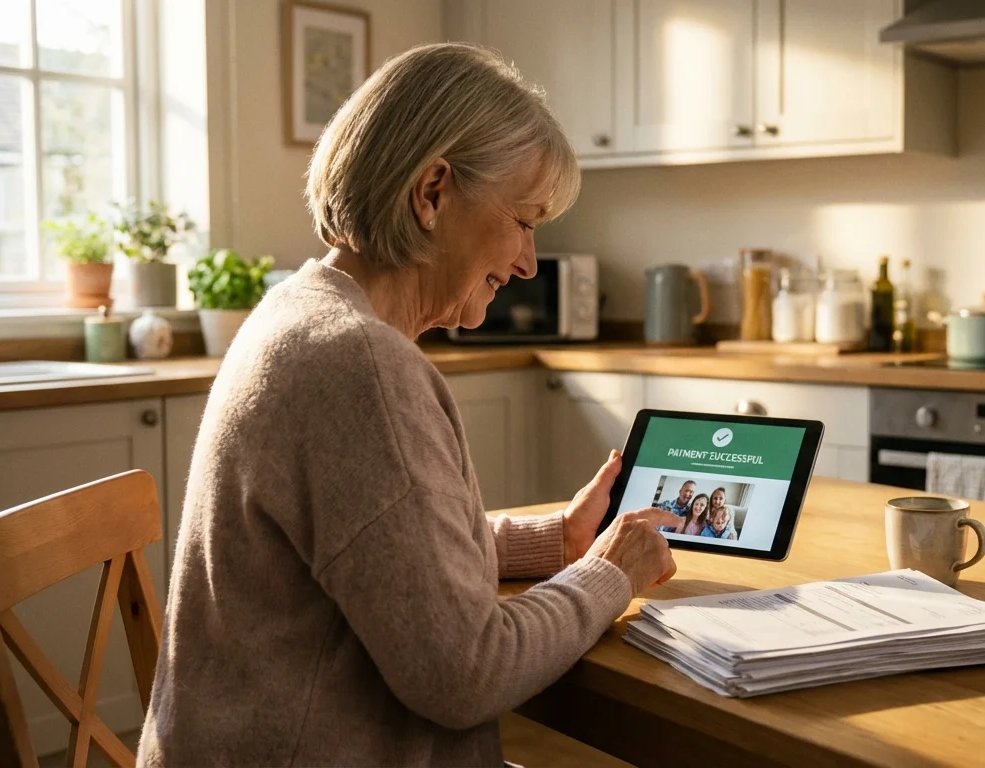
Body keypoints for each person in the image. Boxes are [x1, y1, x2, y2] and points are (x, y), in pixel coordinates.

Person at [138, 43, 684, 767]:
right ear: (432, 193)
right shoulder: (357, 363)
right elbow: (466, 673)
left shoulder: (297, 311)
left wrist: (551, 542)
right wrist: (610, 572)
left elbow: (378, 563)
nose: (527, 261)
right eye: (524, 220)